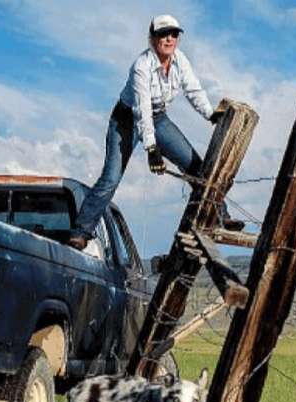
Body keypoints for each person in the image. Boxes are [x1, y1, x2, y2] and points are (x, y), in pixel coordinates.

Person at [68, 14, 244, 250]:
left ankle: (220, 215)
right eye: (163, 34)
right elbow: (142, 110)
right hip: (126, 119)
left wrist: (210, 114)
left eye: (174, 34)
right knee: (111, 178)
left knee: (194, 166)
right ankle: (81, 231)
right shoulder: (142, 66)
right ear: (152, 38)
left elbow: (193, 90)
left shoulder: (180, 61)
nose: (169, 39)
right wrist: (152, 149)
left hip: (159, 117)